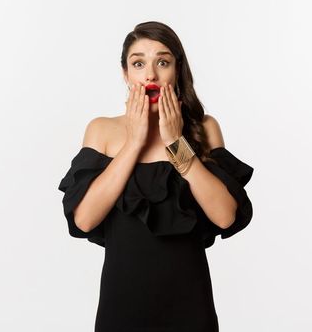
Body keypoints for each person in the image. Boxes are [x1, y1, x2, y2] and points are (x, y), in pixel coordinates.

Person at [57, 21, 255, 331]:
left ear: (176, 70)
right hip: (122, 306)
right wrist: (134, 142)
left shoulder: (204, 129)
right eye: (138, 63)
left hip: (189, 306)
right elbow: (84, 220)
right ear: (126, 74)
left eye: (162, 62)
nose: (150, 74)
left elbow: (226, 217)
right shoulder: (102, 130)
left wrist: (176, 144)